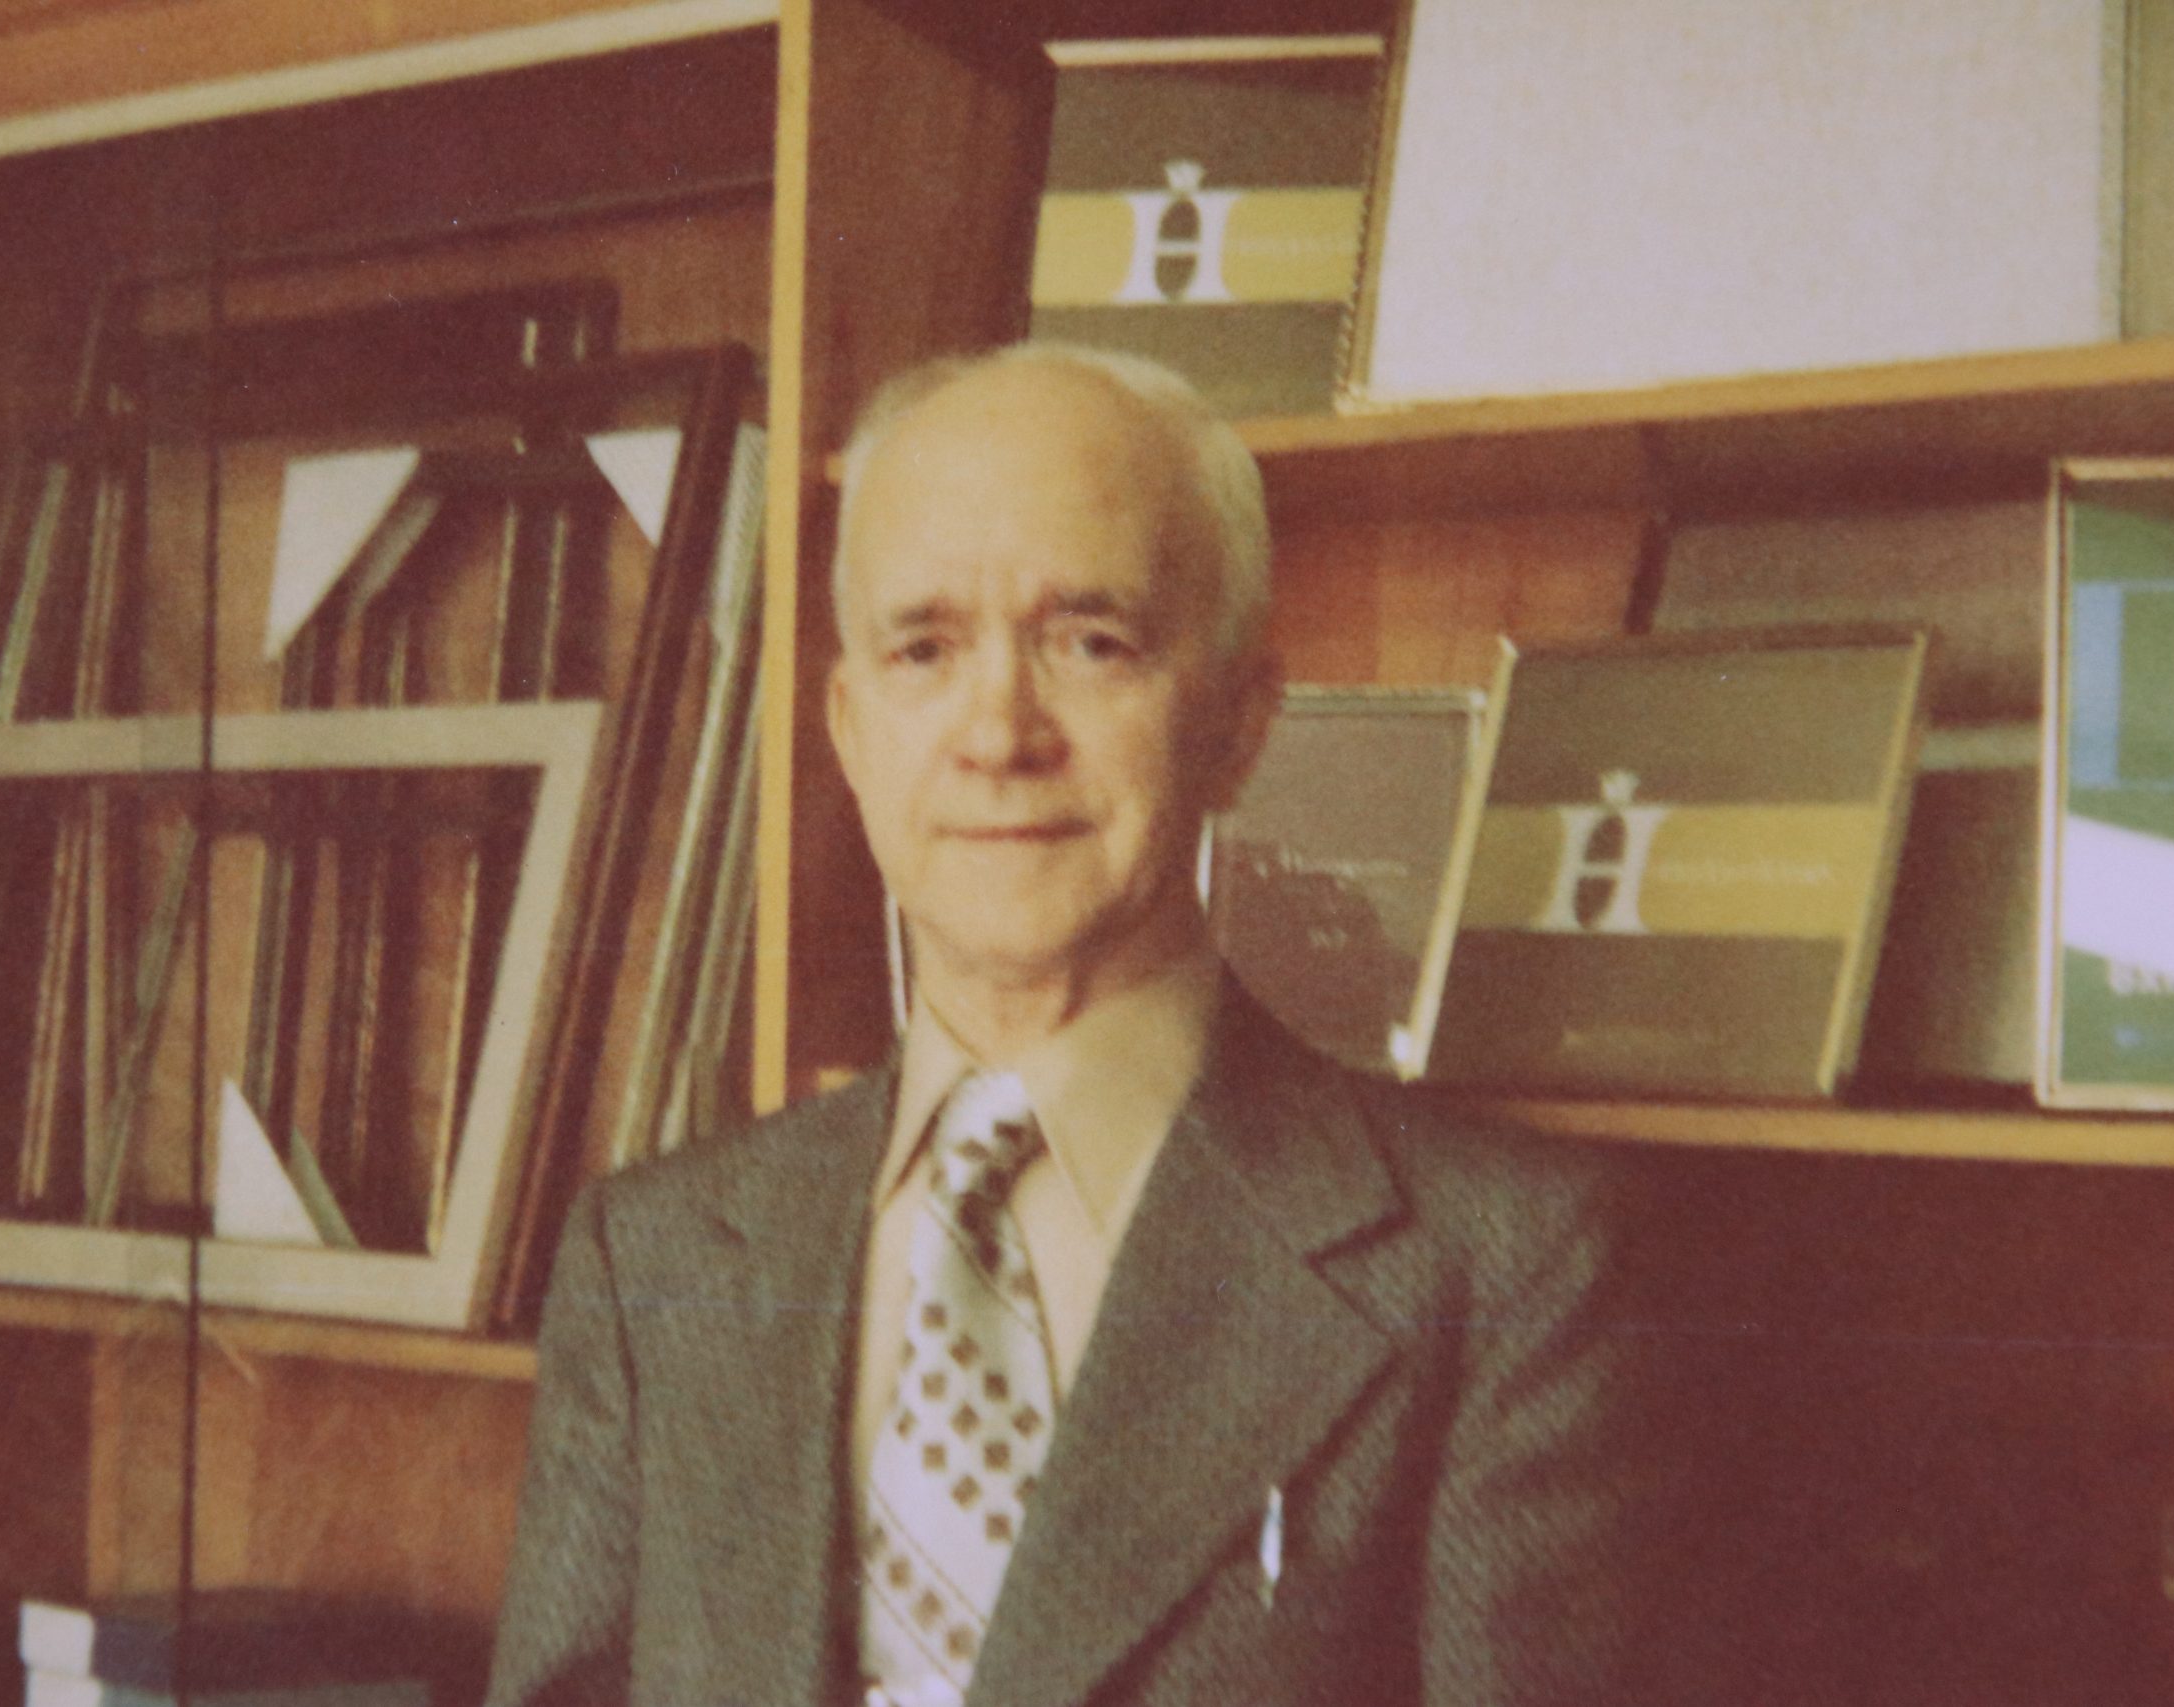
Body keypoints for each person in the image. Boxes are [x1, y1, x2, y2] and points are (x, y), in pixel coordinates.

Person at [483, 344, 1681, 1707]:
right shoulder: (649, 1259)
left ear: (1239, 723)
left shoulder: (1508, 1271)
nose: (999, 733)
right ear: (851, 730)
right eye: (924, 650)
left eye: (1091, 643)